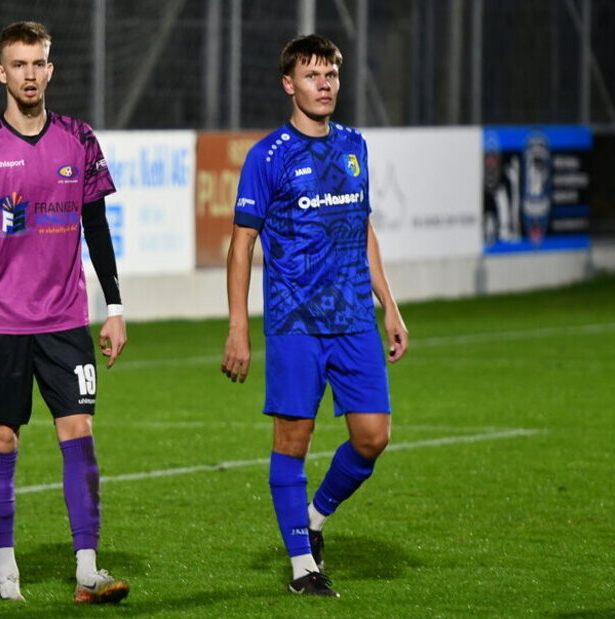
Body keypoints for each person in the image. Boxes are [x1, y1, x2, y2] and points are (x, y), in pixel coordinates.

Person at [0, 20, 129, 605]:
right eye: (18, 64)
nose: (29, 74)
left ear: (50, 69)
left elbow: (96, 228)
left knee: (80, 432)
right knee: (2, 439)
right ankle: (6, 574)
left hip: (66, 317)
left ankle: (87, 570)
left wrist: (115, 306)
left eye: (38, 63)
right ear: (2, 72)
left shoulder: (79, 139)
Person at [221, 33, 409, 598]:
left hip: (353, 318)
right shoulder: (267, 157)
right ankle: (303, 566)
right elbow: (241, 244)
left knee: (373, 438)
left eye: (330, 75)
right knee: (293, 439)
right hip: (296, 321)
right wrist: (237, 325)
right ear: (289, 84)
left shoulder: (354, 145)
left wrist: (389, 304)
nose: (324, 85)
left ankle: (316, 517)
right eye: (312, 76)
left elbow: (362, 228)